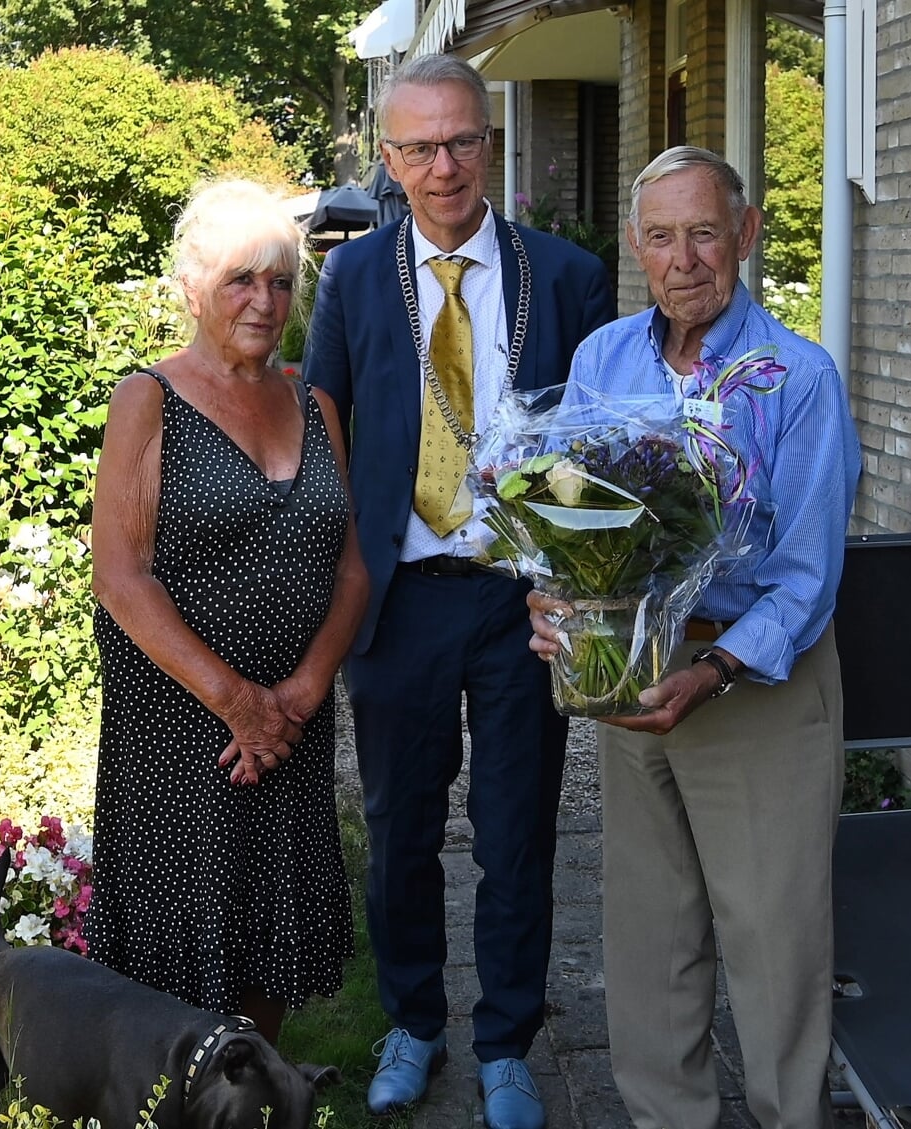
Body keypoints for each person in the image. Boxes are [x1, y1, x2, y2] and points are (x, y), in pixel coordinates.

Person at [305, 55, 615, 1129]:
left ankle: (505, 1042)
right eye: (419, 148)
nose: (444, 167)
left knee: (516, 826)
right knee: (396, 825)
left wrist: (581, 580)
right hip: (397, 598)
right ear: (387, 160)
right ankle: (413, 1020)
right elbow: (322, 430)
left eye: (462, 142)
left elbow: (601, 446)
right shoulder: (349, 282)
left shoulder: (565, 278)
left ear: (493, 144)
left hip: (518, 598)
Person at [529, 146, 861, 1129]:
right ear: (635, 245)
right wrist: (553, 598)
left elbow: (806, 571)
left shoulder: (797, 379)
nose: (684, 259)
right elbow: (568, 511)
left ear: (745, 233)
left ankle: (784, 1116)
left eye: (703, 233)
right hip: (633, 666)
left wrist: (712, 668)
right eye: (662, 236)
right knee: (648, 928)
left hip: (752, 680)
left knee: (772, 940)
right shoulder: (602, 360)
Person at [86, 179, 367, 1047]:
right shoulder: (148, 399)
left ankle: (249, 1091)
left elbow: (351, 567)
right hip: (182, 725)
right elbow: (120, 576)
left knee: (264, 939)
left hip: (288, 724)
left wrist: (301, 690)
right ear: (192, 286)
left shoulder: (313, 403)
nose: (264, 300)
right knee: (182, 946)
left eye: (280, 281)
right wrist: (237, 701)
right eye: (241, 279)